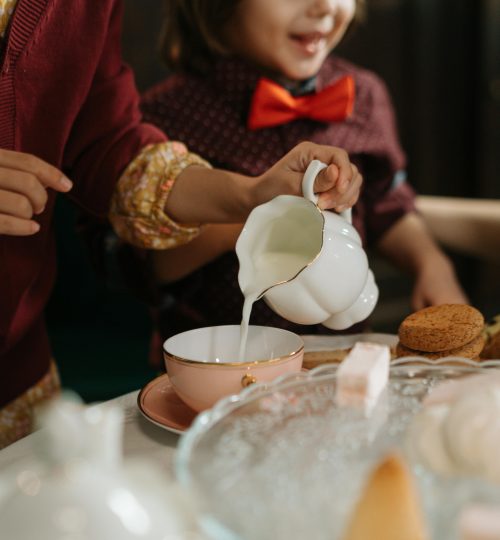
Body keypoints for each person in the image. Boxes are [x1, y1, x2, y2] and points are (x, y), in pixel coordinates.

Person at [0, 0, 362, 448]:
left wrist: (251, 195)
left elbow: (107, 144)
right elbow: (132, 264)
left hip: (16, 368)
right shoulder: (181, 106)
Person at [140, 0, 467, 351]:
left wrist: (431, 262)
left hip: (343, 360)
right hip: (222, 365)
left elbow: (385, 203)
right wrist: (266, 216)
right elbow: (152, 264)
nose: (325, 5)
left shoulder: (365, 95)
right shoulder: (164, 117)